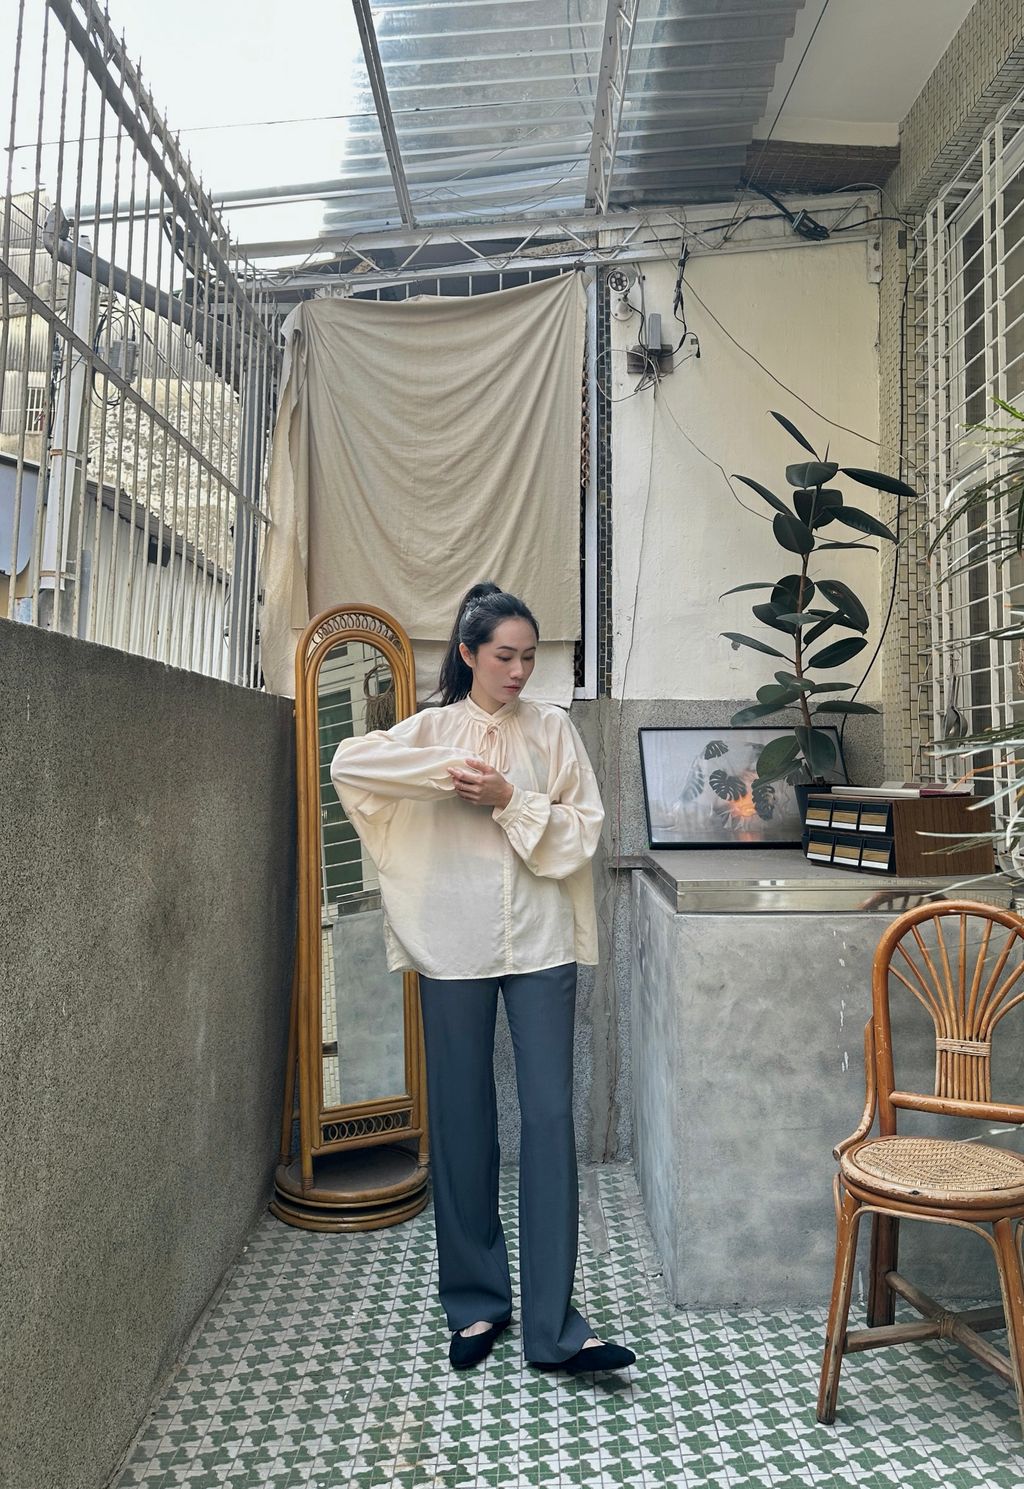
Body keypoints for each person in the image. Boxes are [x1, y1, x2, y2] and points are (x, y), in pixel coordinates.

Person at [330, 582, 635, 1376]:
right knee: (462, 1120)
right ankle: (475, 1303)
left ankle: (553, 1329)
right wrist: (448, 772)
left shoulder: (553, 729)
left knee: (550, 1117)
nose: (519, 670)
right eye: (505, 655)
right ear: (468, 653)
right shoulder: (430, 729)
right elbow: (350, 763)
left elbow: (582, 832)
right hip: (452, 944)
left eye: (529, 656)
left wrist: (508, 798)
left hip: (541, 943)